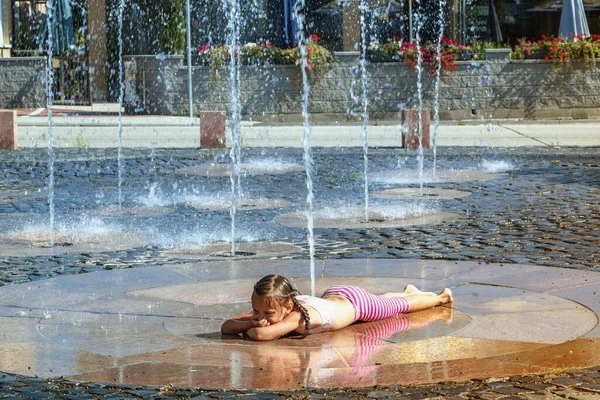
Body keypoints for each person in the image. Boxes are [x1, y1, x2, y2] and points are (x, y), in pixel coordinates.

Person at [220, 274, 453, 341]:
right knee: (385, 299)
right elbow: (226, 326)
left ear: (288, 305)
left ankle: (439, 298)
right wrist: (251, 319)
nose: (261, 316)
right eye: (256, 310)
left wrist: (252, 326)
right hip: (335, 294)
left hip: (357, 304)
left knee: (398, 306)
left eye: (267, 313)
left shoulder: (297, 317)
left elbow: (260, 334)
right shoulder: (269, 309)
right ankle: (408, 290)